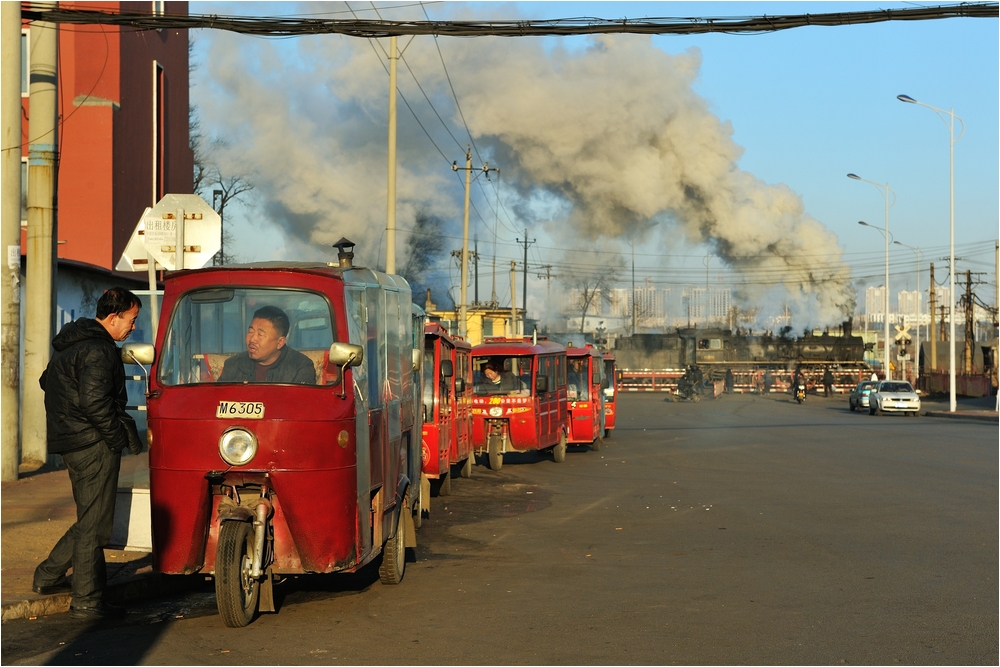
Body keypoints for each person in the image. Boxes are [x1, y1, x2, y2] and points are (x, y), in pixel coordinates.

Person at [33, 287, 144, 619]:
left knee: (90, 519)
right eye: (131, 319)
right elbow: (94, 402)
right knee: (95, 525)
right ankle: (86, 599)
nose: (133, 327)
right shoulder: (99, 350)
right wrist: (113, 438)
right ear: (113, 317)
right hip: (91, 443)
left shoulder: (72, 345)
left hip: (72, 441)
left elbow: (46, 380)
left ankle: (52, 577)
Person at [218, 306, 316, 384]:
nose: (252, 339)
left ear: (280, 342)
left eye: (260, 334)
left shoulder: (301, 367)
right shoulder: (233, 364)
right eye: (250, 332)